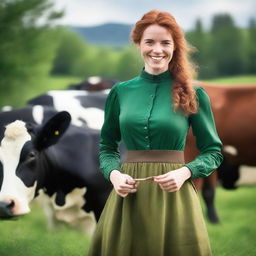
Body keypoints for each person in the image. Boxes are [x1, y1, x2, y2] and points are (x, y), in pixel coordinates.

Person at [88, 10, 223, 256]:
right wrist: (114, 175)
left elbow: (213, 152)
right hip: (128, 196)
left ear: (175, 47)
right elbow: (107, 147)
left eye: (165, 43)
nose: (157, 50)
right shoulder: (120, 92)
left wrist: (186, 172)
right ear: (139, 44)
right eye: (149, 42)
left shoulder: (194, 94)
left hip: (176, 197)